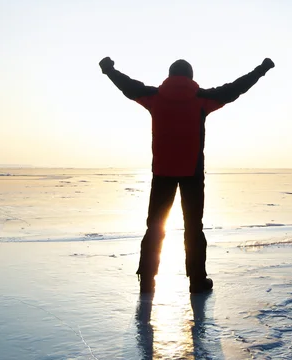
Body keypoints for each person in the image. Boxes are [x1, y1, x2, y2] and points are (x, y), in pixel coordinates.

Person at [99, 56, 275, 294]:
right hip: (192, 172)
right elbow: (235, 88)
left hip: (162, 172)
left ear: (170, 76)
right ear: (190, 77)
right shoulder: (201, 99)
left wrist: (109, 70)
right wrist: (261, 69)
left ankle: (147, 280)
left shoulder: (154, 97)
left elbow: (128, 86)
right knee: (193, 228)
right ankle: (197, 281)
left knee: (155, 226)